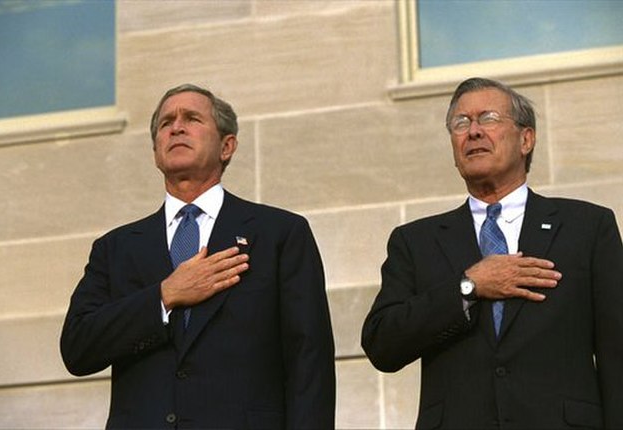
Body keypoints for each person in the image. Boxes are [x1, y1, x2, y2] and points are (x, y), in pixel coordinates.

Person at [60, 84, 336, 429]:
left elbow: (309, 362)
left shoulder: (279, 234)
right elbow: (77, 348)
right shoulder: (115, 248)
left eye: (192, 118)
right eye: (165, 123)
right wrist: (164, 296)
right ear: (156, 152)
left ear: (227, 146)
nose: (176, 127)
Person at [361, 77, 623, 429]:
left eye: (488, 119)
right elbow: (382, 344)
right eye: (460, 123)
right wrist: (468, 287)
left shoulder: (587, 227)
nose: (473, 132)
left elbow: (616, 352)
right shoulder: (416, 241)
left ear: (526, 139)